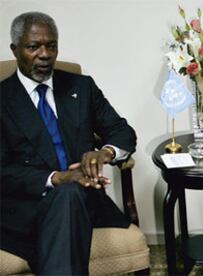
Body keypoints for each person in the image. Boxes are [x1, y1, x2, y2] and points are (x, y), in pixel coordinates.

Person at [0, 12, 137, 274]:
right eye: (33, 46)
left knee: (71, 195)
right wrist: (57, 178)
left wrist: (105, 153)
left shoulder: (81, 87)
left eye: (51, 46)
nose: (44, 54)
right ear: (15, 49)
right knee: (67, 193)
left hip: (84, 199)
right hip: (25, 208)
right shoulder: (3, 99)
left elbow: (121, 130)